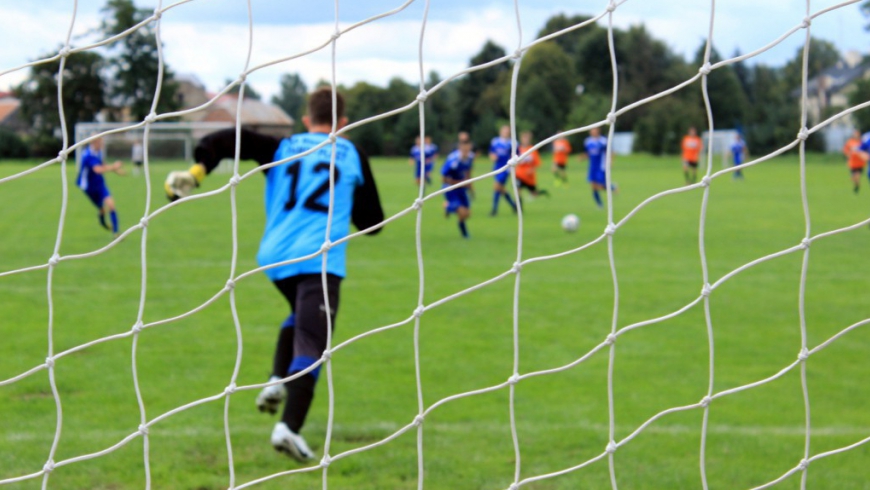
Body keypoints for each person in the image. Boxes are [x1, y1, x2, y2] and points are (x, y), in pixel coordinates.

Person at [164, 87, 385, 462]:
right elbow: (373, 224)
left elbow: (230, 138)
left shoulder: (282, 147)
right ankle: (289, 428)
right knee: (315, 344)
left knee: (301, 318)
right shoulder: (351, 153)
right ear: (344, 123)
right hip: (320, 259)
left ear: (305, 120)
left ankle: (275, 380)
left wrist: (198, 171)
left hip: (276, 258)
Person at [77, 137, 124, 236]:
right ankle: (102, 221)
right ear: (94, 143)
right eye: (100, 143)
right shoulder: (87, 155)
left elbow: (103, 165)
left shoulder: (99, 152)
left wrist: (117, 171)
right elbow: (97, 169)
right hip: (89, 188)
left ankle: (116, 233)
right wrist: (114, 166)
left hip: (100, 184)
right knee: (102, 209)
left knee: (111, 205)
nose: (102, 145)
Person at [441, 137, 474, 238]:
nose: (466, 152)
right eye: (464, 149)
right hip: (450, 188)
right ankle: (465, 234)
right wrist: (459, 182)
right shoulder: (453, 159)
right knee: (462, 211)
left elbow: (468, 172)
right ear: (460, 147)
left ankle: (448, 207)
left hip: (461, 188)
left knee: (467, 214)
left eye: (468, 149)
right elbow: (443, 178)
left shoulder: (470, 157)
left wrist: (470, 186)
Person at [488, 125, 518, 216]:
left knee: (497, 187)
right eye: (504, 131)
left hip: (506, 169)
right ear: (500, 131)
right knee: (501, 189)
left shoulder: (512, 143)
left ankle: (494, 210)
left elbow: (517, 155)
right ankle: (513, 205)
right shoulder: (495, 141)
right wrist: (492, 157)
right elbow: (491, 152)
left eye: (507, 131)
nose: (505, 133)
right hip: (497, 167)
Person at [581, 127, 609, 209]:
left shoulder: (603, 141)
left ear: (598, 131)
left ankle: (612, 187)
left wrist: (610, 161)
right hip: (592, 167)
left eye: (594, 130)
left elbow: (609, 151)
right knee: (593, 186)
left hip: (601, 166)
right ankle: (599, 204)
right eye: (591, 130)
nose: (593, 132)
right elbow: (588, 153)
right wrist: (583, 157)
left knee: (601, 186)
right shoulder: (588, 141)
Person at [516, 131, 548, 199]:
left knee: (534, 194)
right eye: (524, 138)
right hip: (520, 175)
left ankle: (542, 192)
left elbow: (537, 163)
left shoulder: (532, 149)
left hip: (529, 177)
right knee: (517, 191)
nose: (525, 140)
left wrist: (532, 169)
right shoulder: (518, 149)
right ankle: (518, 208)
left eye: (527, 138)